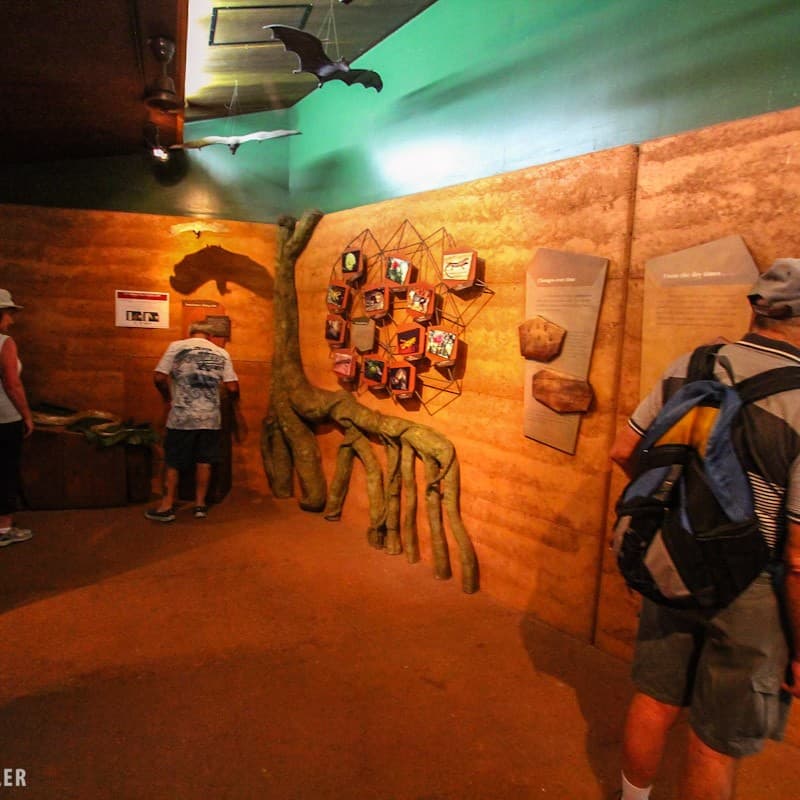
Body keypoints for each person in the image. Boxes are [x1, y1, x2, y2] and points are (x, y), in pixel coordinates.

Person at [609, 258, 800, 800]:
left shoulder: (691, 365)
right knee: (715, 741)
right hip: (751, 588)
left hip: (671, 554)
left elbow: (623, 449)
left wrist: (667, 515)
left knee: (654, 699)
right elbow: (796, 556)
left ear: (756, 308)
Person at [146, 320, 240, 522]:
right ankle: (200, 505)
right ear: (210, 336)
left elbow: (159, 377)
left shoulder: (177, 347)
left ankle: (167, 506)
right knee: (204, 461)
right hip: (210, 418)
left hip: (182, 417)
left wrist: (168, 397)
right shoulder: (221, 353)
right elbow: (232, 387)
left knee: (173, 462)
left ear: (190, 333)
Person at [0, 289, 34, 547]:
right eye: (8, 313)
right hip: (4, 417)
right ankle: (3, 528)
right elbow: (12, 384)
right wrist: (27, 415)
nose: (11, 320)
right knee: (5, 470)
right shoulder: (5, 343)